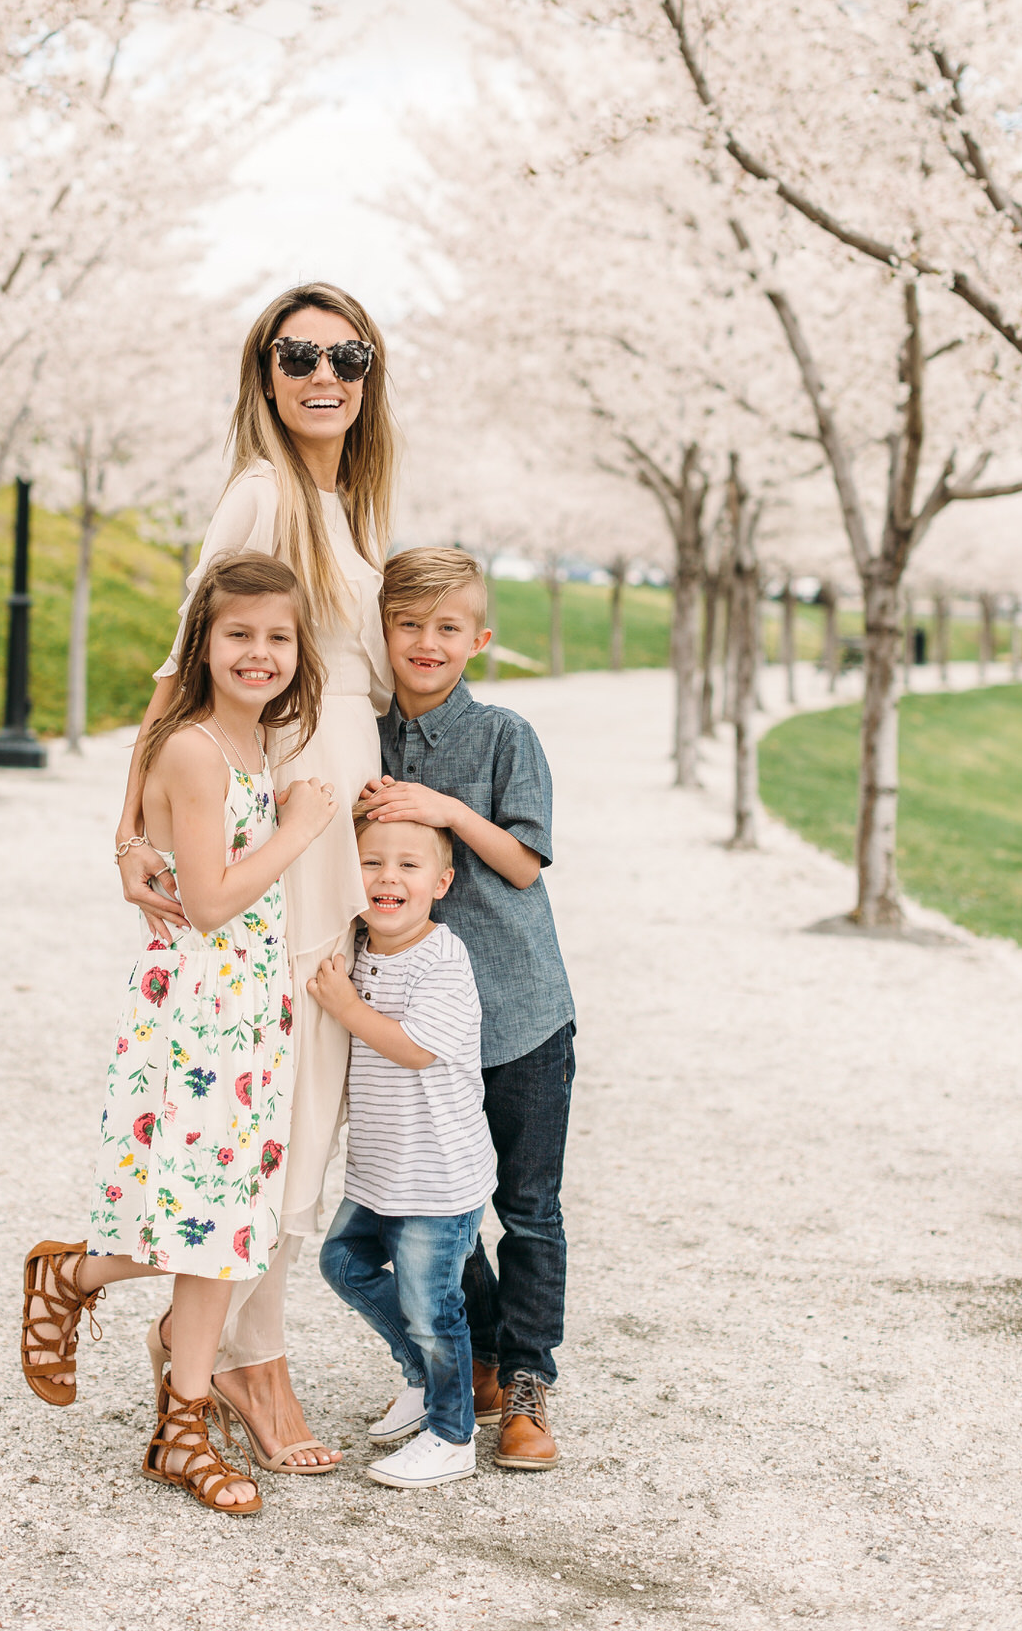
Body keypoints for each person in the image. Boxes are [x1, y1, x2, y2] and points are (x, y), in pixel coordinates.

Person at [99, 282, 396, 1472]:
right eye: (297, 355)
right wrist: (129, 831)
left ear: (370, 376)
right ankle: (243, 1359)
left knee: (308, 1089)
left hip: (342, 813)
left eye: (347, 356)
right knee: (280, 1099)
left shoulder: (344, 503)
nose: (323, 375)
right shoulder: (264, 492)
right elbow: (187, 662)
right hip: (290, 811)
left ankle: (213, 1338)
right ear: (263, 372)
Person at [20, 554, 338, 1515]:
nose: (259, 652)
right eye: (238, 634)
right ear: (202, 642)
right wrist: (299, 830)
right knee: (205, 1217)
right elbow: (208, 901)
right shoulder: (198, 751)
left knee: (230, 1226)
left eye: (278, 637)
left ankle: (180, 1429)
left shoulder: (252, 744)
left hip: (249, 1010)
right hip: (199, 1017)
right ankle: (70, 1274)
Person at [359, 546, 575, 1470]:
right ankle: (477, 1355)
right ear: (383, 632)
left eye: (448, 627)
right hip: (417, 1023)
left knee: (527, 1208)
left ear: (478, 639)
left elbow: (523, 864)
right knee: (433, 1200)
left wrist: (443, 808)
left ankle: (526, 1382)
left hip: (519, 1013)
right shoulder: (363, 738)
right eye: (408, 623)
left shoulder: (503, 735)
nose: (427, 642)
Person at [310, 809, 495, 1489]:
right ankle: (423, 1376)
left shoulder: (443, 959)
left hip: (438, 1177)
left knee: (433, 1308)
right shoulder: (358, 947)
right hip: (382, 1170)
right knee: (343, 1263)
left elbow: (416, 1049)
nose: (388, 877)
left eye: (408, 866)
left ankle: (453, 1435)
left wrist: (346, 1007)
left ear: (441, 883)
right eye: (371, 863)